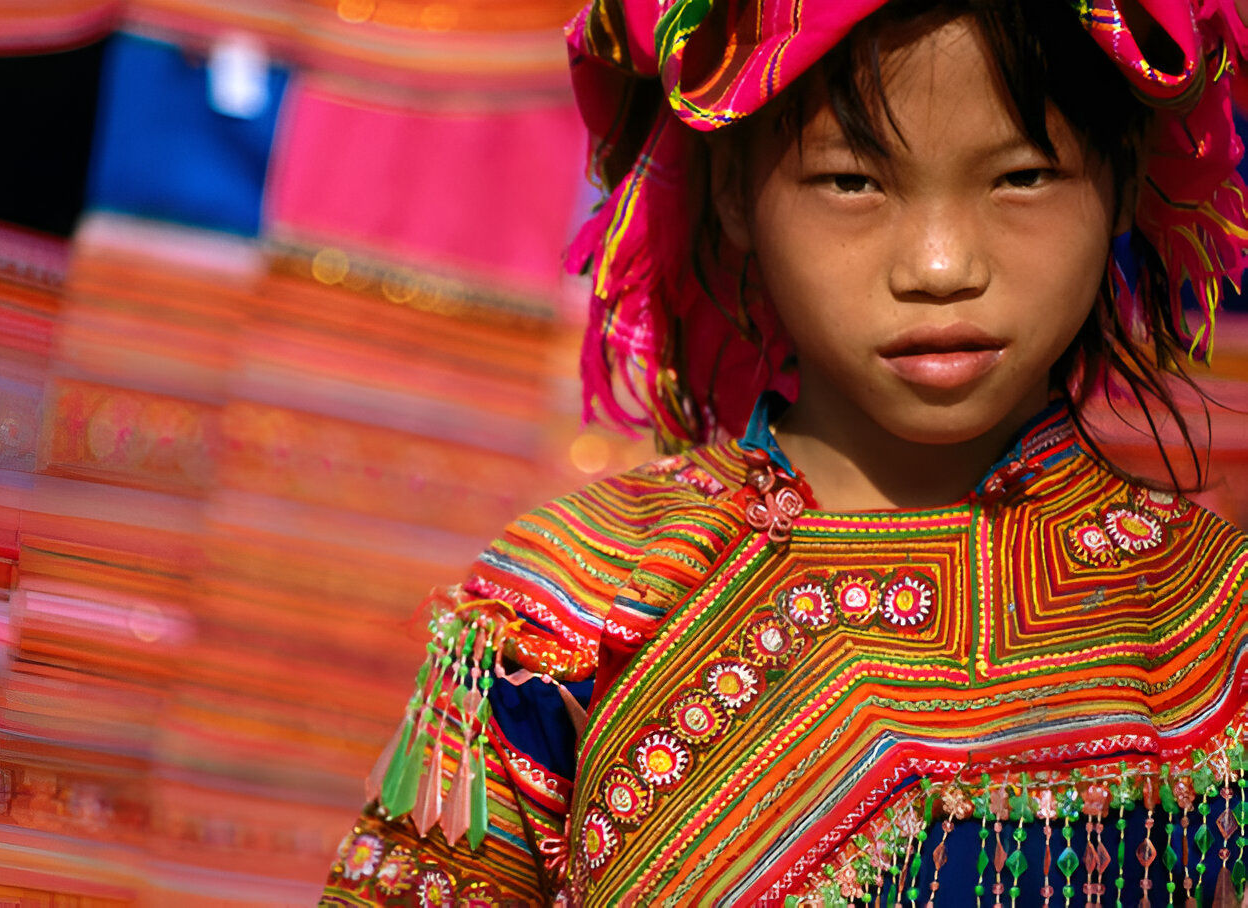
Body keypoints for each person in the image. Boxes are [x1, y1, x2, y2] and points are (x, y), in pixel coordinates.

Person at [320, 0, 1248, 904]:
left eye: (1022, 177)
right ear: (731, 189)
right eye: (853, 181)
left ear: (1122, 175)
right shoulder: (569, 611)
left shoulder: (1210, 627)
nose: (939, 265)